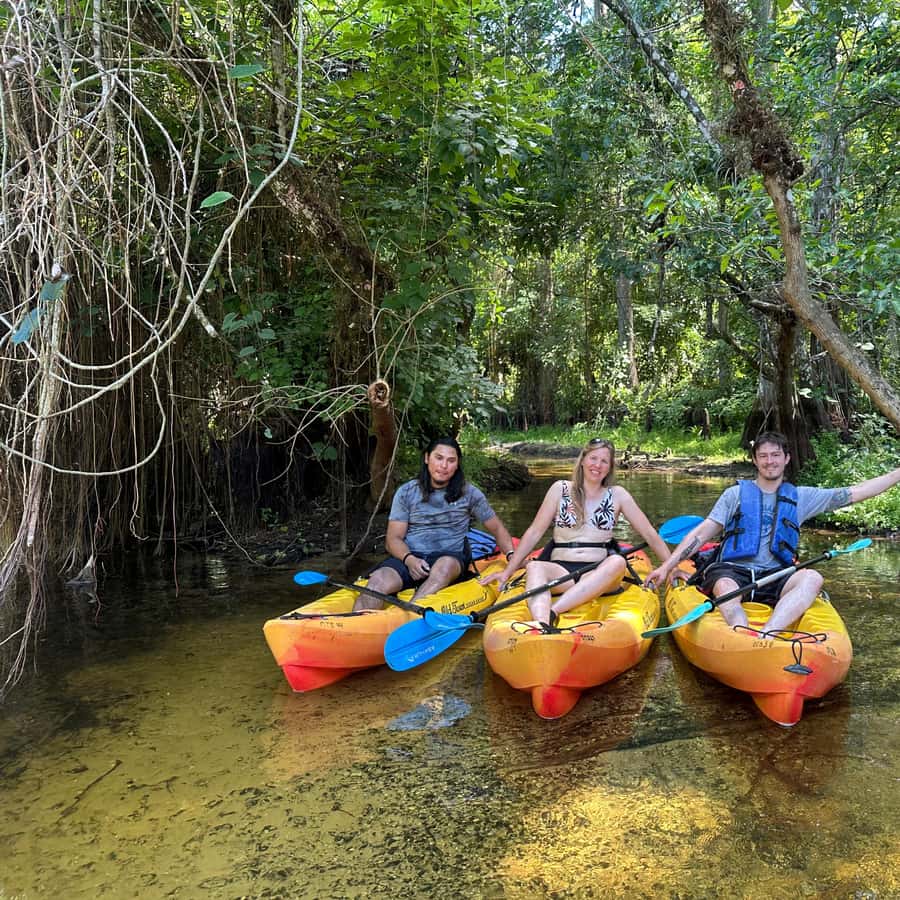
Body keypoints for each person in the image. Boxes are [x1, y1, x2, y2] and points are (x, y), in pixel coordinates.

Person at [645, 430, 900, 635]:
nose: (770, 461)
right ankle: (740, 633)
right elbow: (701, 534)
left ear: (786, 458)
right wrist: (667, 566)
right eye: (764, 456)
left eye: (775, 455)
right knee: (723, 585)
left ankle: (768, 634)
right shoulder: (735, 495)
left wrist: (897, 474)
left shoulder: (802, 497)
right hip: (734, 571)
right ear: (755, 460)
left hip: (778, 574)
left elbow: (858, 492)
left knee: (812, 578)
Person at [481, 438, 673, 628]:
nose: (597, 465)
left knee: (617, 561)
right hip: (562, 571)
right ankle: (540, 623)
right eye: (593, 458)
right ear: (583, 460)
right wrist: (507, 572)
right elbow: (534, 532)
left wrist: (671, 567)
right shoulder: (560, 489)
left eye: (604, 461)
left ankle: (552, 612)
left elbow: (649, 533)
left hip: (598, 573)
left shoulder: (618, 494)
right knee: (535, 567)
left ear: (610, 467)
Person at [353, 436, 515, 611]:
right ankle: (357, 625)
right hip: (411, 556)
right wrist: (409, 560)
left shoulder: (469, 493)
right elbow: (393, 539)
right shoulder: (406, 492)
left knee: (444, 566)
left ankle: (409, 615)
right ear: (426, 458)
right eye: (438, 458)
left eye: (451, 460)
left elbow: (497, 528)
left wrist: (512, 556)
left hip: (450, 558)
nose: (444, 466)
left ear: (457, 464)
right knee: (378, 580)